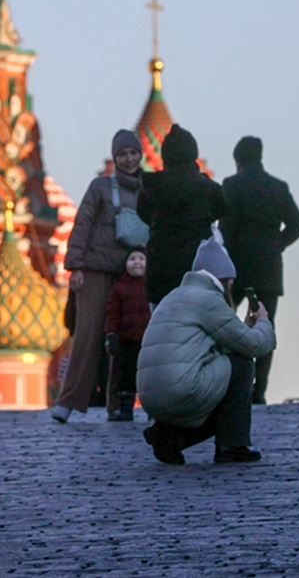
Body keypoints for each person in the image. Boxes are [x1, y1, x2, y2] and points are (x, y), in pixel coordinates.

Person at [137, 235, 275, 465]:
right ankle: (233, 445)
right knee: (241, 363)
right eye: (230, 286)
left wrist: (243, 328)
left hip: (151, 398)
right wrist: (263, 322)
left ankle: (169, 437)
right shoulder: (208, 299)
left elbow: (208, 346)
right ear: (223, 280)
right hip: (180, 390)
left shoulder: (174, 296)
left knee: (221, 374)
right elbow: (254, 346)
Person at [50, 129, 146, 423]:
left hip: (127, 273)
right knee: (88, 335)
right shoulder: (101, 187)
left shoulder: (148, 187)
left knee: (124, 340)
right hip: (93, 270)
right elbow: (83, 224)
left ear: (140, 155)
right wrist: (75, 266)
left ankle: (117, 404)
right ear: (115, 158)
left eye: (133, 153)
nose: (129, 159)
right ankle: (68, 401)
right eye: (123, 154)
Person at [219, 136, 299, 404]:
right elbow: (298, 226)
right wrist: (275, 245)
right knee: (266, 325)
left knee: (226, 323)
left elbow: (226, 228)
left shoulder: (232, 185)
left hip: (237, 265)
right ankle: (260, 389)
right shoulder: (278, 188)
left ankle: (230, 383)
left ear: (237, 160)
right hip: (268, 267)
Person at [138, 124, 227, 307]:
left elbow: (143, 213)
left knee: (162, 328)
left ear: (165, 156)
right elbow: (222, 209)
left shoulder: (151, 186)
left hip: (161, 271)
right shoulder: (207, 188)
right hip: (198, 270)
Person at [103, 248, 151, 421]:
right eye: (132, 259)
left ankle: (153, 410)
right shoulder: (119, 288)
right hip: (127, 339)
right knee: (126, 376)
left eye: (141, 258)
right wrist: (111, 333)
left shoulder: (151, 285)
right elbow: (112, 313)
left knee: (149, 377)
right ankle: (125, 409)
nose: (137, 262)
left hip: (148, 340)